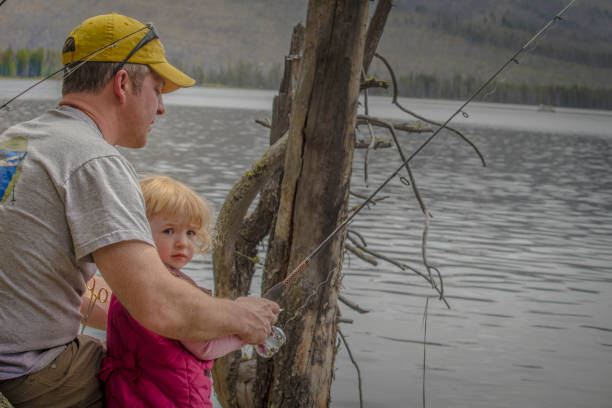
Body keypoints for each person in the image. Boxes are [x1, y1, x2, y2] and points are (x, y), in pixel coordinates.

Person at [0, 13, 278, 408]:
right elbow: (158, 306)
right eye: (158, 90)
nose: (161, 108)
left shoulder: (16, 140)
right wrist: (240, 316)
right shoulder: (93, 159)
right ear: (123, 84)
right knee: (157, 374)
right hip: (29, 375)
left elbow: (40, 283)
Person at [99, 175, 245, 407]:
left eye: (190, 233)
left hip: (128, 395)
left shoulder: (128, 280)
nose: (182, 243)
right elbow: (205, 346)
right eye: (169, 231)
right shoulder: (170, 289)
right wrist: (243, 334)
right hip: (174, 398)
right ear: (139, 230)